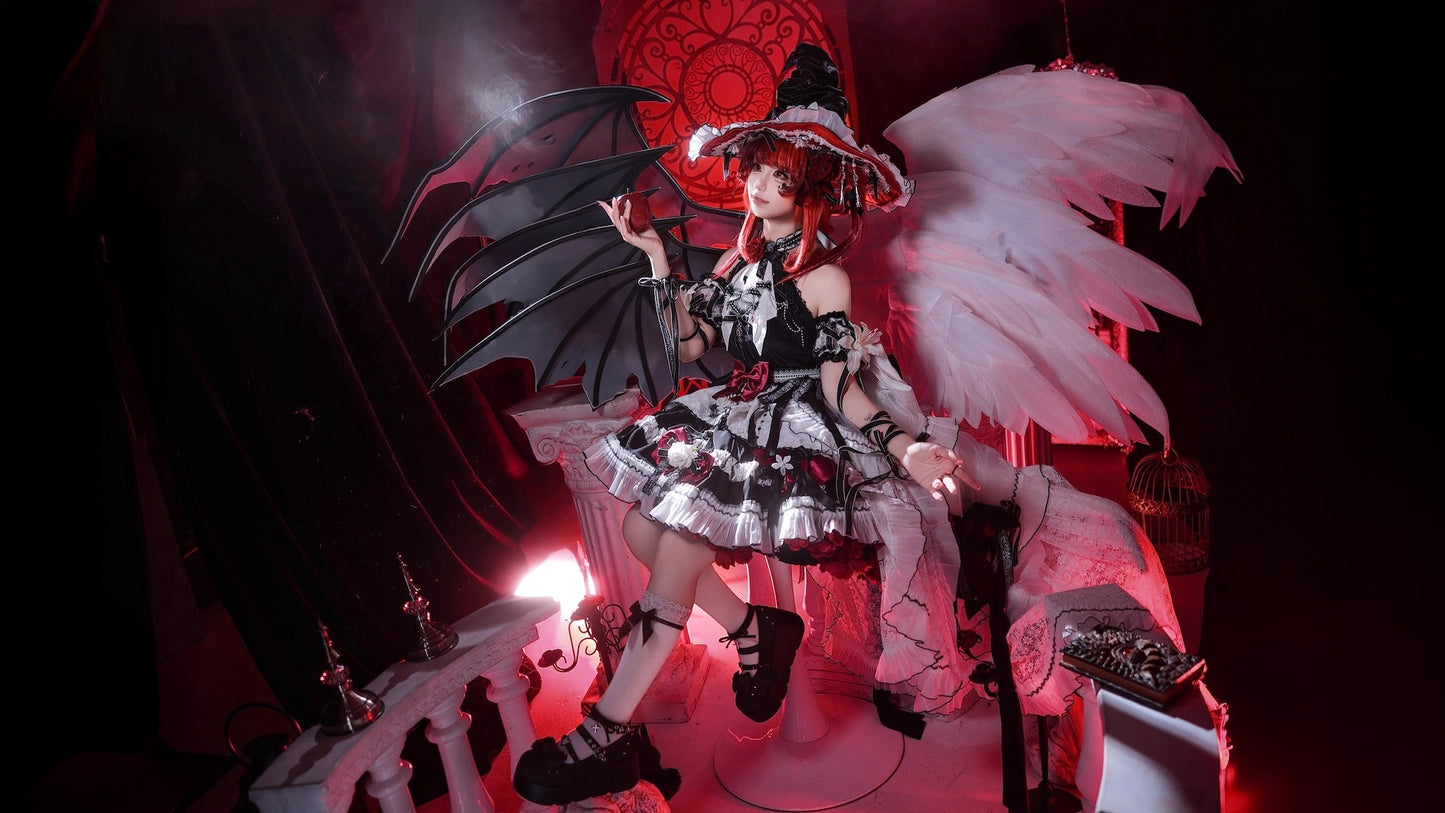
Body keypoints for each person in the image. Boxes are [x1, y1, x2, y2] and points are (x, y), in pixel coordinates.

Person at [510, 43, 980, 806]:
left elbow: (839, 385)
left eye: (779, 177)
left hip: (790, 435)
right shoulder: (740, 267)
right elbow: (692, 347)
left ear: (813, 190)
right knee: (637, 529)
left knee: (674, 545)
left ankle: (607, 729)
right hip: (732, 412)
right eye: (756, 167)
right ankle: (757, 631)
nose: (758, 185)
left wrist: (908, 446)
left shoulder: (823, 279)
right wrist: (656, 259)